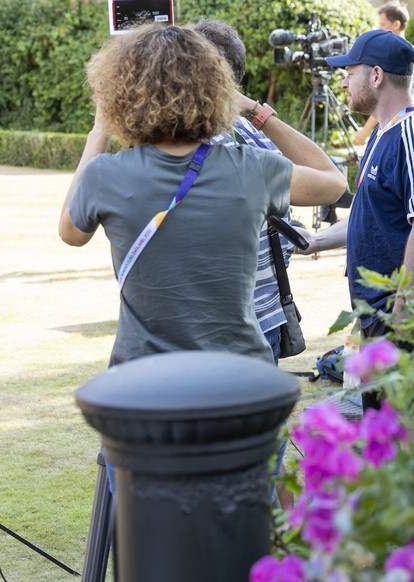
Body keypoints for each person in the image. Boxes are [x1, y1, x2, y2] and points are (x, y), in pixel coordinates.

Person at [59, 23, 345, 369]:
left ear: (123, 93)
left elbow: (70, 233)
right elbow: (333, 182)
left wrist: (98, 133)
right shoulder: (253, 167)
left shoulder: (104, 175)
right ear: (219, 89)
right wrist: (256, 111)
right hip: (239, 375)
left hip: (145, 376)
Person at [192, 18, 296, 507]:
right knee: (257, 467)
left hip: (210, 333)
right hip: (265, 323)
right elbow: (290, 239)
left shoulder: (185, 143)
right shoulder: (261, 143)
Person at [296, 30, 414, 409]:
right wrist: (315, 241)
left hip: (396, 320)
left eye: (350, 70)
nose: (342, 80)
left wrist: (401, 313)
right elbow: (372, 219)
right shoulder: (381, 134)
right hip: (373, 318)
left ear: (376, 76)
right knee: (377, 424)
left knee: (397, 438)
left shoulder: (409, 134)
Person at [354, 1, 410, 146]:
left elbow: (387, 98)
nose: (379, 28)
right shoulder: (391, 55)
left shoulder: (404, 60)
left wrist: (365, 130)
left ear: (396, 25)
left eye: (383, 24)